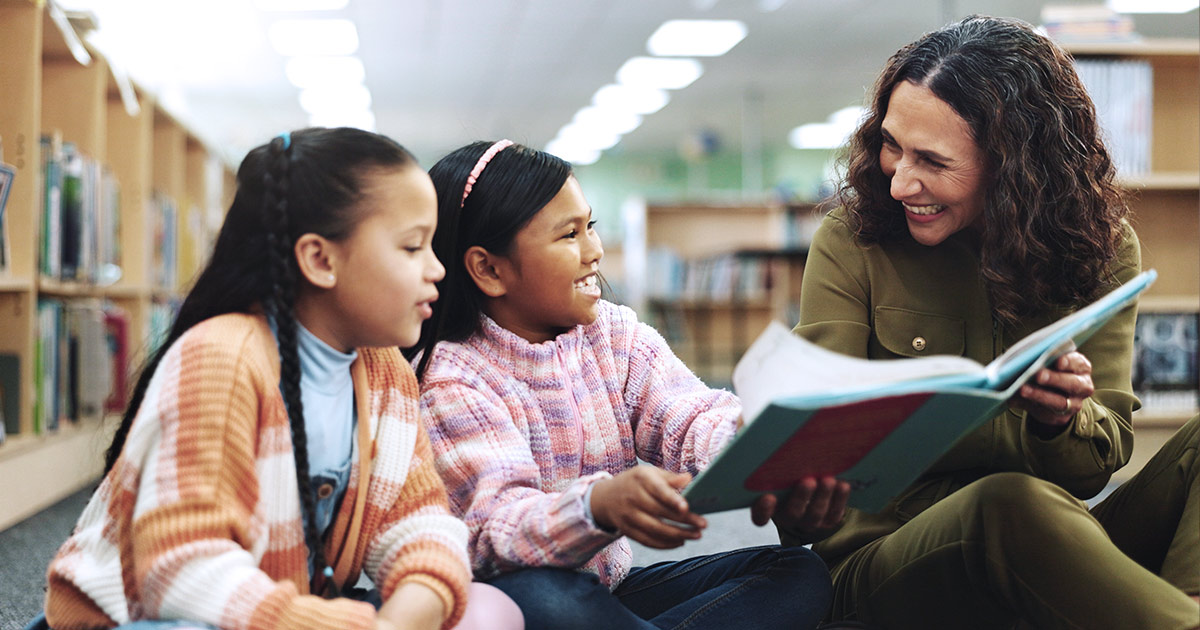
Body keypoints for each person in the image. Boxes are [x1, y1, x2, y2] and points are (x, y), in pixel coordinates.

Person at [789, 15, 1200, 630]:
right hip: (886, 563)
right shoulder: (852, 242)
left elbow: (1090, 476)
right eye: (891, 144)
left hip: (1056, 542)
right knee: (1008, 502)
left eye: (932, 159)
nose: (900, 181)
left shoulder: (1102, 248)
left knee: (1035, 505)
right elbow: (803, 482)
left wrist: (1060, 419)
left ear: (1014, 166)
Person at [33, 127, 523, 630]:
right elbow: (182, 574)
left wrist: (405, 614)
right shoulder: (222, 357)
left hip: (285, 611)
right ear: (319, 259)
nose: (437, 269)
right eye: (412, 247)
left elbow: (419, 524)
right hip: (151, 616)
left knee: (489, 610)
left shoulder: (386, 373)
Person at [406, 139, 850, 630]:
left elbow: (687, 416)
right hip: (514, 597)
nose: (594, 250)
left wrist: (752, 443)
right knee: (549, 600)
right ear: (489, 269)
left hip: (606, 595)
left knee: (797, 570)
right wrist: (598, 506)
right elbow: (497, 532)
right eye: (568, 235)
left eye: (589, 226)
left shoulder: (614, 335)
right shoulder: (450, 379)